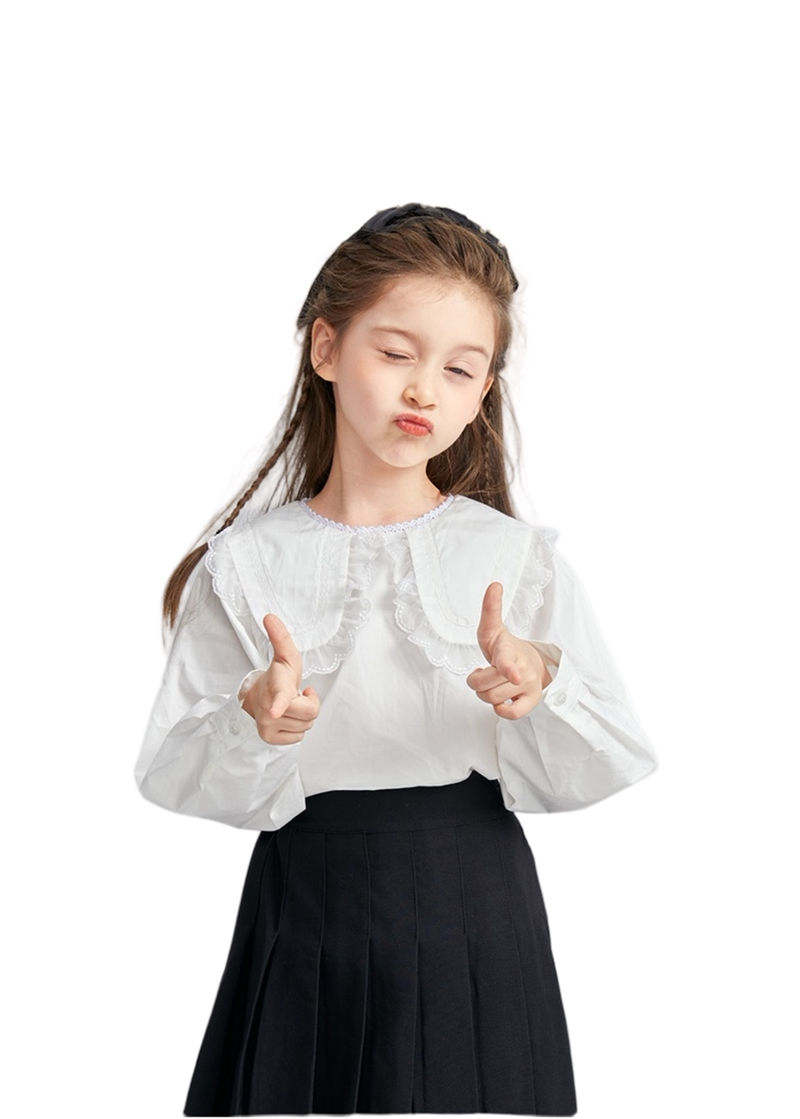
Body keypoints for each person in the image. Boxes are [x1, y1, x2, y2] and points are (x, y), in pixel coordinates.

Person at [135, 203, 658, 1117]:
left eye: (460, 369)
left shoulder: (514, 557)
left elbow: (617, 754)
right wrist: (253, 719)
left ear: (483, 390)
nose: (424, 390)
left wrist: (542, 684)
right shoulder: (245, 564)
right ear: (326, 348)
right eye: (396, 352)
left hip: (475, 900)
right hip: (306, 899)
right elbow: (171, 769)